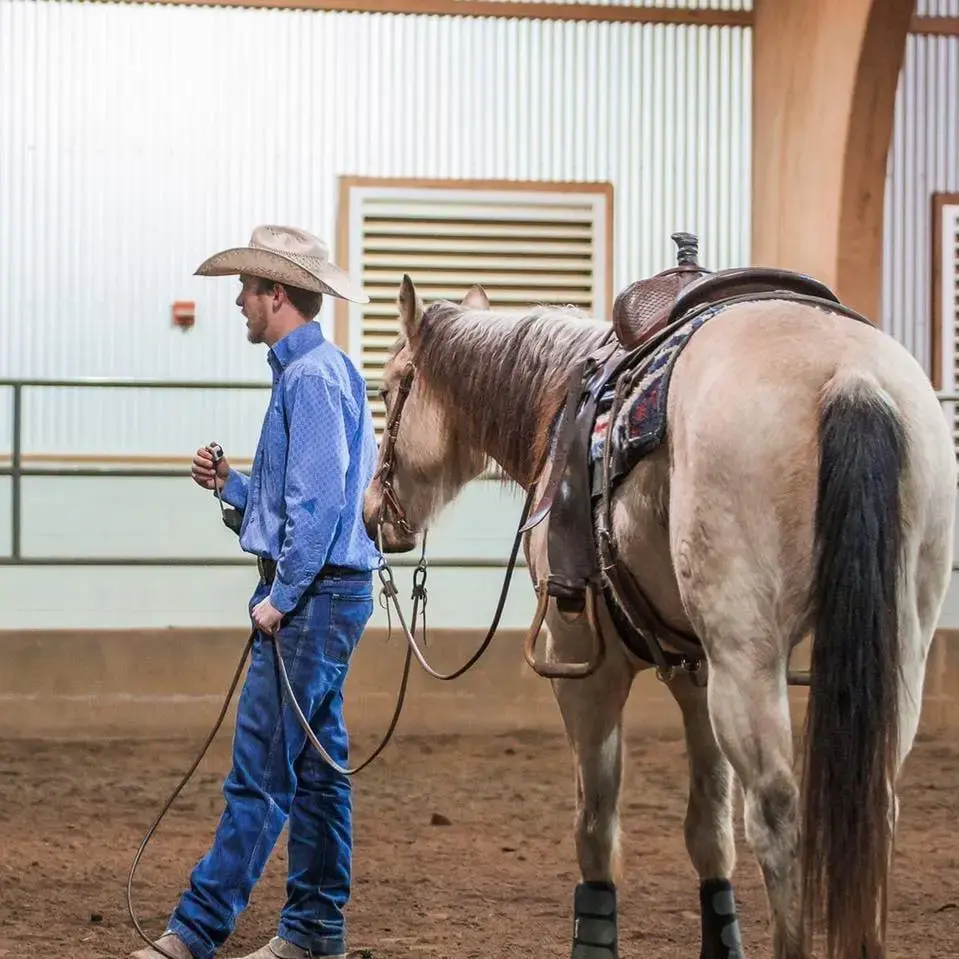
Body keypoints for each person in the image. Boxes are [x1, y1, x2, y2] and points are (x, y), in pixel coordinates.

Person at [132, 225, 381, 959]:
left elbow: (320, 509)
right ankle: (312, 929)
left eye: (246, 288)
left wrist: (281, 596)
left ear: (276, 294)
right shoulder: (317, 371)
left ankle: (196, 930)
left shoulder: (306, 378)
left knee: (260, 769)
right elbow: (308, 496)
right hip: (330, 592)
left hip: (311, 598)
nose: (238, 300)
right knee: (315, 769)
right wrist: (233, 486)